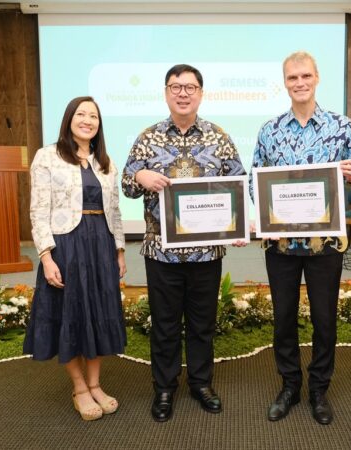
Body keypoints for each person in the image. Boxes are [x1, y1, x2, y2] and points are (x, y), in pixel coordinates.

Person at [121, 64, 246, 422]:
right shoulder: (148, 137)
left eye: (190, 86)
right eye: (176, 86)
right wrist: (139, 175)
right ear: (166, 92)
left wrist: (237, 226)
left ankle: (201, 383)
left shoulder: (219, 136)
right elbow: (127, 186)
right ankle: (164, 387)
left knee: (203, 321)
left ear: (201, 93)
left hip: (207, 252)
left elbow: (237, 184)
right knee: (164, 323)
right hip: (161, 251)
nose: (183, 93)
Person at [250, 51, 351, 425]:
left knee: (324, 319)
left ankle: (319, 390)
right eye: (291, 78)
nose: (299, 83)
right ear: (284, 83)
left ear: (317, 78)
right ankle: (289, 386)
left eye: (305, 76)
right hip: (281, 246)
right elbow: (255, 185)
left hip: (325, 245)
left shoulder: (341, 125)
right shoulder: (269, 130)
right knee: (283, 318)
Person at [23, 96, 127, 422]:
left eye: (93, 116)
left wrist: (120, 250)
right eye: (81, 114)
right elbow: (38, 209)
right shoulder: (47, 157)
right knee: (69, 312)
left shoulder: (105, 162)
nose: (87, 120)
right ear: (69, 119)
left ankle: (96, 384)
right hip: (66, 245)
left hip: (101, 245)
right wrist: (46, 256)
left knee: (98, 312)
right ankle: (79, 388)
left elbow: (115, 212)